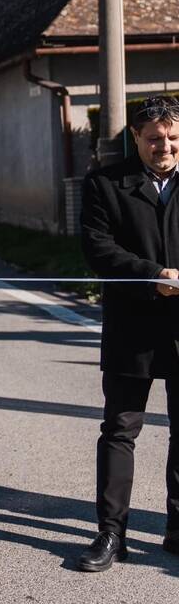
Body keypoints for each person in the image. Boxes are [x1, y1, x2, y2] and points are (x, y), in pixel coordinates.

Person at [78, 95, 179, 572]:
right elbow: (97, 249)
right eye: (156, 138)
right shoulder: (104, 183)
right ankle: (111, 534)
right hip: (131, 327)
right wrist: (152, 274)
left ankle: (177, 529)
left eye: (174, 138)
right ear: (136, 137)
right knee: (120, 430)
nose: (166, 146)